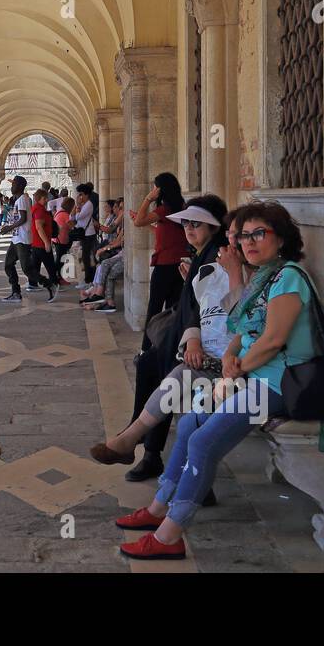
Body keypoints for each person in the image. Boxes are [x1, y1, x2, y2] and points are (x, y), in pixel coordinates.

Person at [113, 201, 320, 560]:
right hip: (250, 376)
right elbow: (240, 327)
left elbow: (273, 340)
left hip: (276, 384)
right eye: (242, 236)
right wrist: (229, 357)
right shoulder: (263, 277)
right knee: (191, 420)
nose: (248, 243)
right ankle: (160, 505)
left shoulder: (287, 277)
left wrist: (234, 368)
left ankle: (170, 534)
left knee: (203, 442)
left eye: (259, 234)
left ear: (282, 238)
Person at [89, 196, 230, 480]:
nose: (189, 228)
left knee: (157, 368)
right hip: (188, 339)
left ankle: (145, 448)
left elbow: (209, 308)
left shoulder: (216, 257)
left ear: (214, 228)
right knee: (151, 365)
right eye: (187, 223)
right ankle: (142, 446)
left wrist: (192, 336)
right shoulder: (202, 253)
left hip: (204, 346)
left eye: (197, 224)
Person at [128, 172, 190, 320]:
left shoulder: (164, 209)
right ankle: (168, 342)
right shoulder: (181, 207)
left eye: (155, 188)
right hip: (180, 265)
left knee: (154, 309)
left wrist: (148, 199)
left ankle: (149, 343)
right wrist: (146, 223)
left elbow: (138, 222)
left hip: (165, 265)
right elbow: (166, 232)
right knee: (173, 309)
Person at [0, 175, 36, 302]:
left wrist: (8, 228)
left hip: (22, 239)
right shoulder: (20, 199)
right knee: (8, 265)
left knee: (26, 269)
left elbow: (23, 218)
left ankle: (50, 283)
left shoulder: (22, 199)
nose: (11, 186)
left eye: (13, 184)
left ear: (20, 186)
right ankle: (16, 293)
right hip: (16, 238)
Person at [28, 188, 59, 301]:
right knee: (50, 266)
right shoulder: (39, 210)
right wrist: (47, 242)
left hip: (37, 243)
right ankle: (53, 285)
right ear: (40, 198)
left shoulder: (38, 208)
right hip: (41, 243)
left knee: (34, 266)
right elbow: (39, 227)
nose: (47, 200)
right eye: (45, 198)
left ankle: (33, 284)